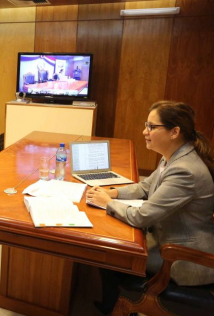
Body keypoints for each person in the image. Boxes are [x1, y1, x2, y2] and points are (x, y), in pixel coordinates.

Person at [86, 101, 214, 314]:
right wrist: (113, 193)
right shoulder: (173, 157)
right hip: (169, 238)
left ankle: (117, 307)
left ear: (174, 132)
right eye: (147, 125)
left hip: (183, 257)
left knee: (111, 254)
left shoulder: (185, 170)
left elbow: (142, 217)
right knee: (110, 253)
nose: (144, 131)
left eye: (152, 127)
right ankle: (111, 304)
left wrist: (107, 203)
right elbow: (146, 186)